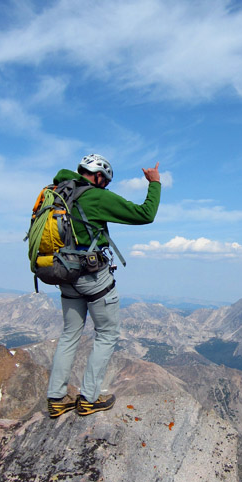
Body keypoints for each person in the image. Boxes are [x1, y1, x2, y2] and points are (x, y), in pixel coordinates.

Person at [47, 154, 161, 418]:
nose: (106, 186)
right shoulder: (95, 196)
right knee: (107, 334)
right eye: (105, 181)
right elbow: (146, 214)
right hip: (91, 277)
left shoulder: (57, 193)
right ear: (98, 176)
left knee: (69, 335)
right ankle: (88, 398)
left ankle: (56, 399)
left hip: (63, 274)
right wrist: (154, 183)